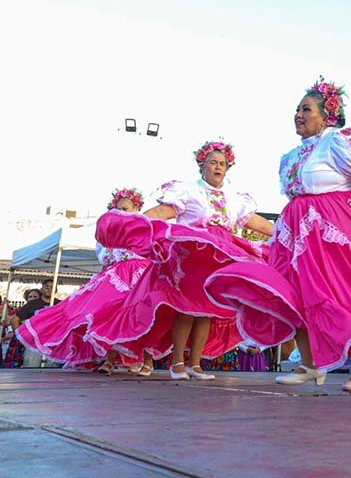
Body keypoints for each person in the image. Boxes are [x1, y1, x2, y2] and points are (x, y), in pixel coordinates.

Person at [206, 78, 351, 392]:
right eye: (296, 109)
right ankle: (311, 363)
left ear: (326, 114)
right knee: (294, 292)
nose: (298, 114)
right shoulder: (289, 157)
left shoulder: (338, 140)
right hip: (296, 229)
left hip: (334, 226)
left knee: (346, 290)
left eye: (306, 108)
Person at [91, 141, 274, 381]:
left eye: (223, 164)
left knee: (207, 309)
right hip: (192, 255)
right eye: (213, 163)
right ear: (202, 166)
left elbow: (256, 223)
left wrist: (283, 233)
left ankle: (195, 364)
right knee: (187, 307)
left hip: (220, 255)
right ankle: (177, 362)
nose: (218, 167)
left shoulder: (234, 198)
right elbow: (162, 212)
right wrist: (136, 222)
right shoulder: (188, 191)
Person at [15, 188, 155, 374]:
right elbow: (104, 256)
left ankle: (148, 361)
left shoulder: (147, 227)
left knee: (148, 315)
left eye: (125, 208)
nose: (122, 213)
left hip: (142, 274)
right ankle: (110, 360)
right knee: (112, 315)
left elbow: (156, 249)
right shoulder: (110, 232)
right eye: (118, 209)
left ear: (137, 207)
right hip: (118, 275)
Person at [2, 288, 46, 368]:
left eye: (35, 297)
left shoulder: (41, 311)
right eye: (30, 296)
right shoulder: (19, 311)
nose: (32, 298)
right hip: (19, 341)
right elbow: (8, 320)